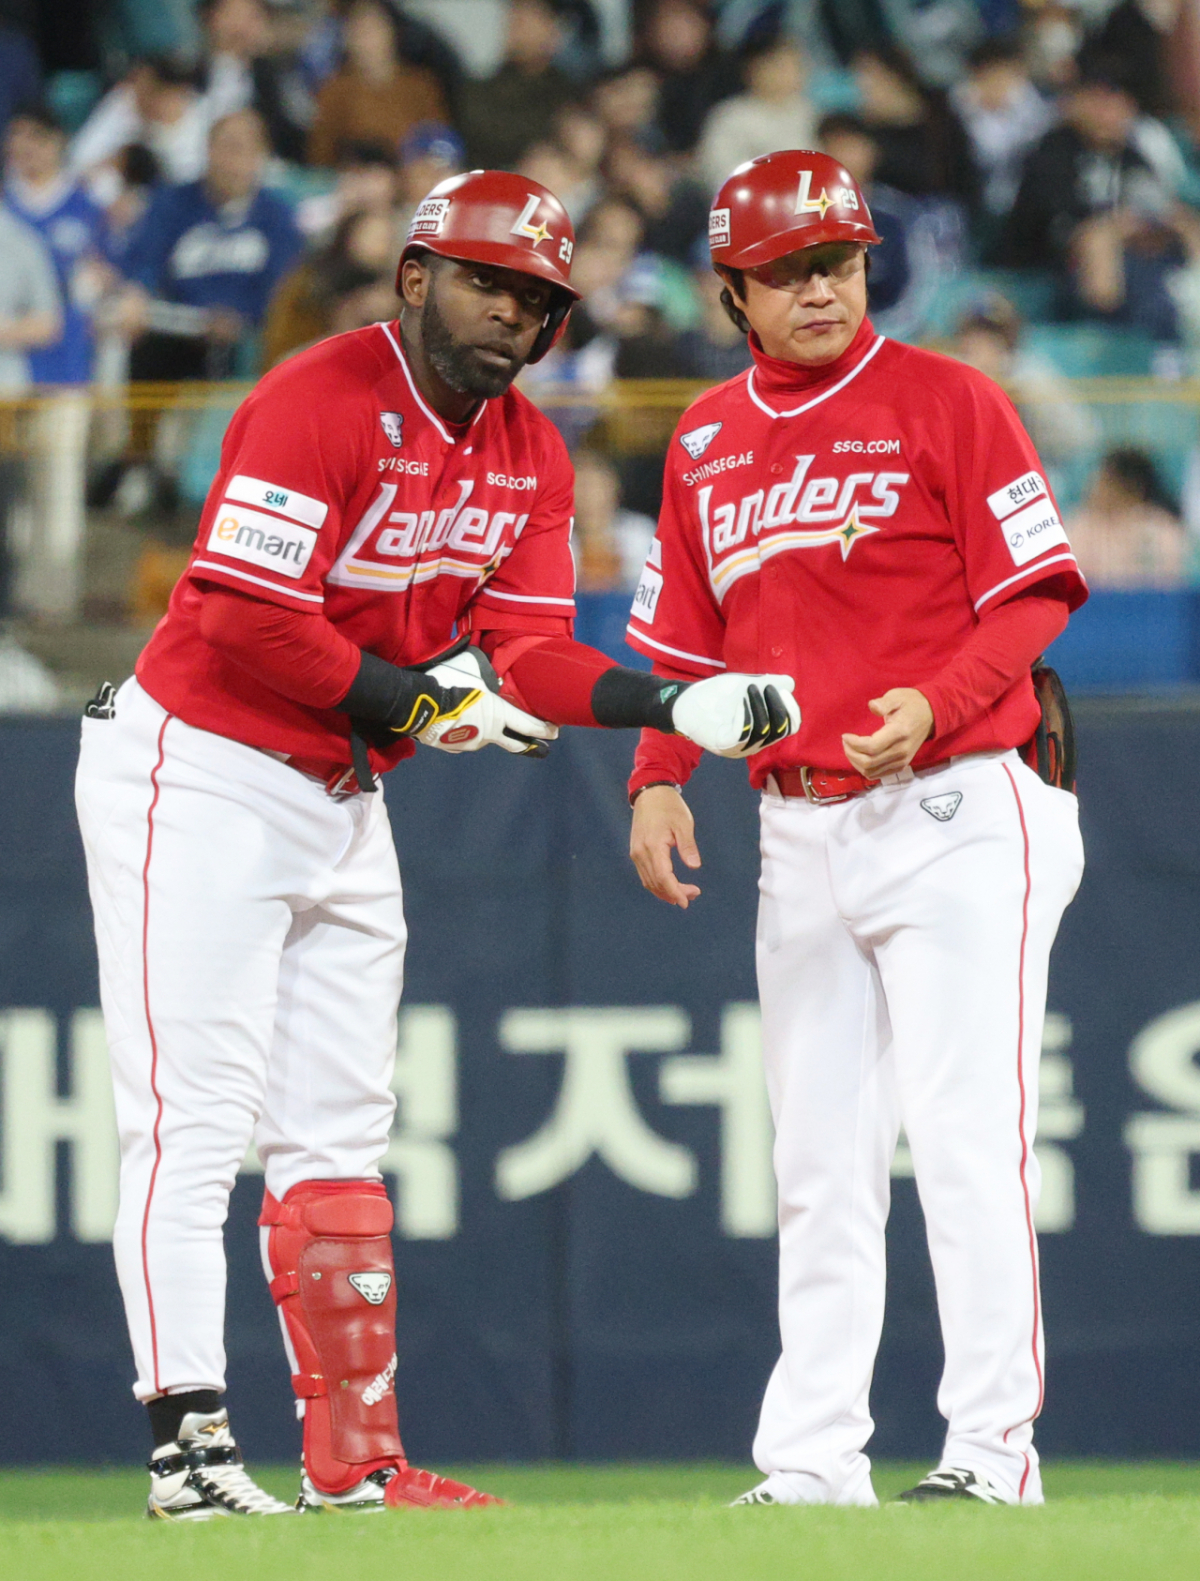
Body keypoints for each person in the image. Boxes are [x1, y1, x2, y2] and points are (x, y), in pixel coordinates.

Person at [74, 166, 798, 1520]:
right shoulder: (318, 395)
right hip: (198, 761)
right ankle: (190, 1450)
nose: (514, 313)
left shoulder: (532, 452)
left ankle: (354, 1464)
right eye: (487, 282)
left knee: (342, 1131)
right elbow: (238, 613)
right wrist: (419, 701)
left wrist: (661, 704)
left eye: (539, 298)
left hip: (342, 788)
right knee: (193, 1117)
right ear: (415, 277)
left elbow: (525, 651)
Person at [626, 149, 1087, 1507]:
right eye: (786, 272)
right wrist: (658, 772)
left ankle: (991, 1452)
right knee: (818, 1158)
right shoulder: (705, 438)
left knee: (963, 1137)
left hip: (958, 806)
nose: (820, 289)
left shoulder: (950, 399)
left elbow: (1036, 592)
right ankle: (815, 1459)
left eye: (837, 261)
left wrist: (938, 701)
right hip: (797, 828)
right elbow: (681, 641)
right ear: (732, 293)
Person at [118, 108, 304, 380]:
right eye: (224, 148)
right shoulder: (172, 203)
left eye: (242, 149)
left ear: (260, 156)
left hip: (247, 335)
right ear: (209, 151)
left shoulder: (277, 217)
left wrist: (241, 315)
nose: (232, 162)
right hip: (177, 330)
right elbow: (145, 260)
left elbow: (283, 286)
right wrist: (137, 292)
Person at [307, 0, 448, 169]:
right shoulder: (334, 90)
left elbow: (440, 146)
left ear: (392, 32)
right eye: (358, 31)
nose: (366, 41)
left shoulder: (421, 86)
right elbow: (320, 158)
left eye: (373, 29)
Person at [697, 35, 817, 198]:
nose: (793, 73)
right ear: (755, 70)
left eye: (796, 65)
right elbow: (720, 174)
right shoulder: (730, 117)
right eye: (781, 66)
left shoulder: (811, 114)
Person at [1067, 445, 1187, 587]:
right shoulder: (1080, 526)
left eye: (1105, 481)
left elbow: (1169, 583)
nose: (1095, 488)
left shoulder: (1162, 530)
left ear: (1131, 486)